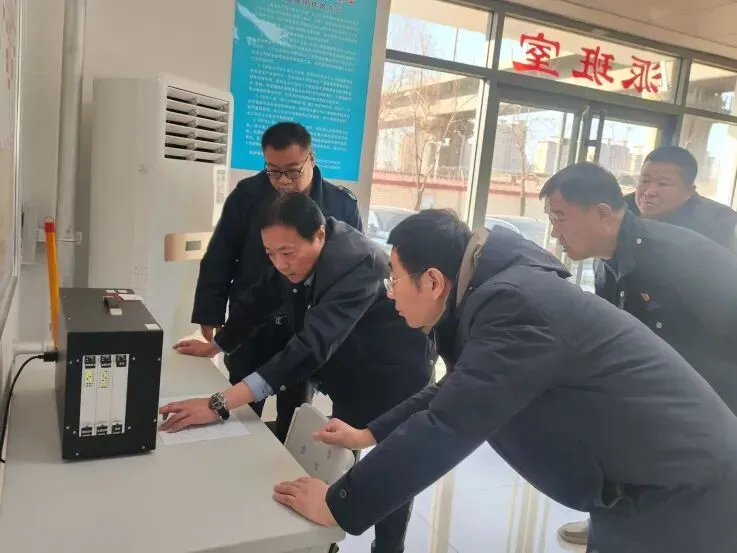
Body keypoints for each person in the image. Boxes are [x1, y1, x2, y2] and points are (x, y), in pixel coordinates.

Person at [271, 208, 737, 553]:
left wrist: (338, 503)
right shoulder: (500, 296)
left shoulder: (514, 304)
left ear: (432, 281)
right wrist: (369, 433)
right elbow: (458, 390)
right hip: (640, 486)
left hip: (684, 494)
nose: (390, 295)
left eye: (394, 279)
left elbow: (449, 425)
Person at [161, 192, 433, 553]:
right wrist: (218, 345)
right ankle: (323, 541)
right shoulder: (292, 257)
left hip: (395, 375)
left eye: (287, 253)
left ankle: (388, 548)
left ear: (319, 234)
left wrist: (218, 403)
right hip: (350, 373)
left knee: (393, 470)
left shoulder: (359, 263)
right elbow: (258, 299)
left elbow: (310, 346)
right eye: (270, 253)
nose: (280, 263)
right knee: (340, 456)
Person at [543, 161, 737, 548]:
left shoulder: (680, 255)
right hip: (663, 409)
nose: (554, 232)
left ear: (602, 213)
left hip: (713, 412)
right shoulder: (607, 260)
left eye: (560, 218)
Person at [182, 122, 363, 442]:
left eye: (292, 171)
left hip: (307, 326)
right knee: (239, 409)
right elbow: (221, 255)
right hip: (252, 322)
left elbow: (343, 287)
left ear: (311, 158)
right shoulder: (248, 195)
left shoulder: (341, 206)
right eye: (274, 172)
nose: (283, 181)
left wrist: (217, 402)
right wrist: (213, 320)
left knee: (295, 412)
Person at [628, 145, 737, 251]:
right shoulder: (622, 208)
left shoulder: (718, 224)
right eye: (644, 181)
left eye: (663, 183)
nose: (649, 192)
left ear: (688, 192)